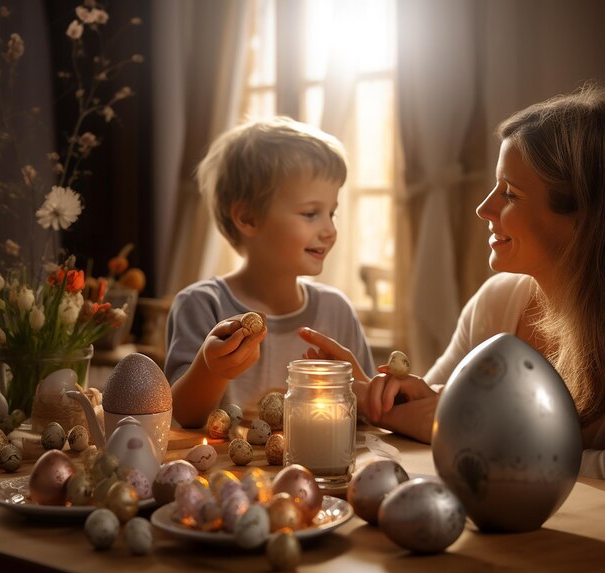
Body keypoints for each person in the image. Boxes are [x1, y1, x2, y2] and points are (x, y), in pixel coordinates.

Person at [302, 83, 605, 478]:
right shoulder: (498, 303)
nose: (484, 208)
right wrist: (376, 397)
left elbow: (447, 424)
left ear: (581, 217)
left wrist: (468, 429)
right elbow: (430, 410)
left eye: (510, 194)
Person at [165, 116, 375, 427]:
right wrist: (212, 370)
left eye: (331, 213)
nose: (329, 230)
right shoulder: (201, 305)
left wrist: (370, 395)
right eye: (310, 213)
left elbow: (365, 413)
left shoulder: (337, 311)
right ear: (248, 218)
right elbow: (184, 416)